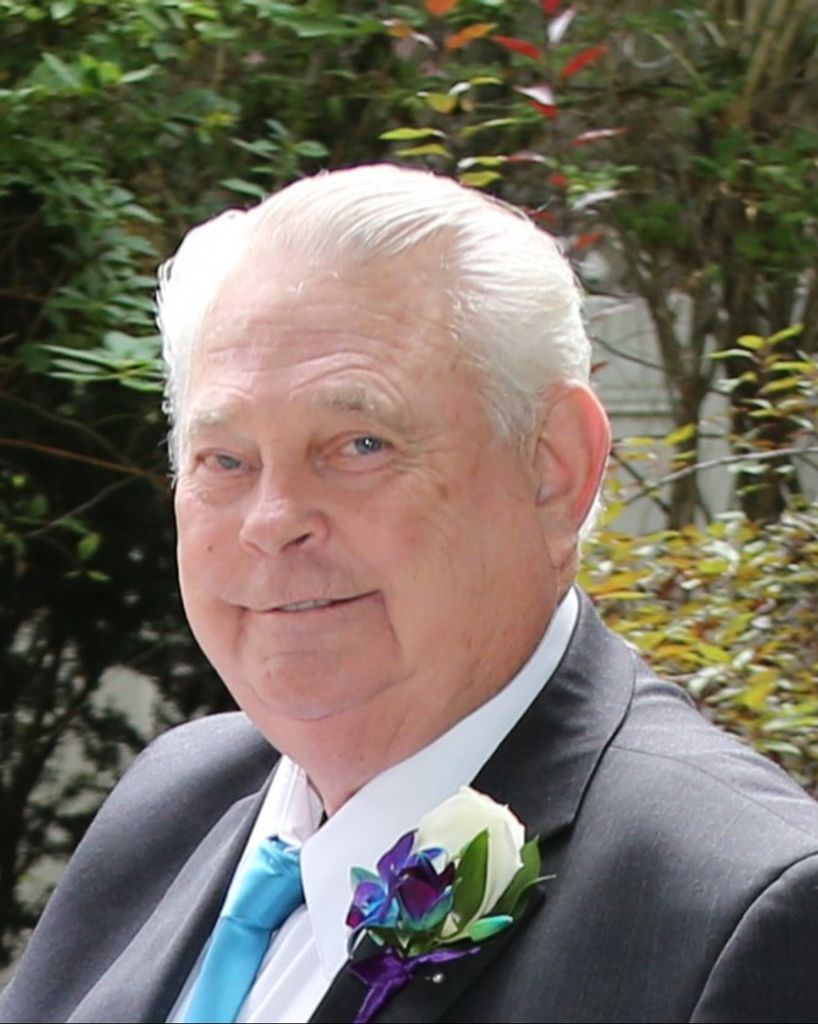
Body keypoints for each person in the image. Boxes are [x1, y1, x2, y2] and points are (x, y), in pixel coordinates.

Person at [2, 164, 818, 1024]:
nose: (272, 522)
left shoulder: (741, 915)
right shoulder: (173, 803)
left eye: (359, 444)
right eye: (226, 460)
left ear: (553, 470)